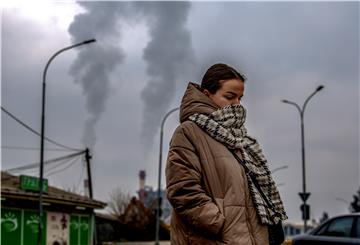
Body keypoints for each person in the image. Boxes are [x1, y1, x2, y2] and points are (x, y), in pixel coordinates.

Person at [165, 63, 287, 244]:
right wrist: (219, 224)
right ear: (207, 95)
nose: (237, 104)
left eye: (240, 98)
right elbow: (183, 190)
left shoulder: (240, 138)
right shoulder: (188, 132)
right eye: (230, 96)